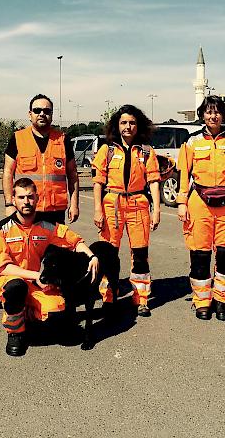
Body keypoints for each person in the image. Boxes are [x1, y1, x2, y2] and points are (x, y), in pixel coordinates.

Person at [0, 178, 98, 356]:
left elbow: (73, 240)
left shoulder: (47, 226)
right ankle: (15, 332)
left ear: (37, 198)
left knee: (58, 312)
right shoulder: (0, 230)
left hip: (38, 284)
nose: (26, 202)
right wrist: (35, 275)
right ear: (13, 199)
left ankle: (29, 314)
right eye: (22, 197)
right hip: (12, 281)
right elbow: (3, 268)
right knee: (16, 288)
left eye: (30, 197)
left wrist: (91, 255)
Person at [177, 96, 225, 321]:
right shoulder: (191, 142)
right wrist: (182, 203)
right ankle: (202, 301)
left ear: (224, 115)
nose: (213, 116)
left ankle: (222, 300)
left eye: (217, 112)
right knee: (200, 254)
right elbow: (184, 174)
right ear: (202, 115)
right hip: (199, 203)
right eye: (209, 112)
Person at [92, 104, 161, 317]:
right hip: (112, 204)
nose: (128, 127)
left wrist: (156, 209)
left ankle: (140, 299)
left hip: (138, 204)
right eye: (123, 122)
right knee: (108, 254)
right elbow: (97, 182)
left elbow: (154, 181)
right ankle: (108, 296)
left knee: (140, 254)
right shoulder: (107, 150)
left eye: (132, 122)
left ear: (138, 125)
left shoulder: (147, 151)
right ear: (117, 125)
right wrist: (97, 209)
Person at [2, 94, 79, 224]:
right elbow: (8, 172)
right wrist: (9, 204)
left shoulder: (63, 140)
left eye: (47, 111)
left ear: (52, 115)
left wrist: (74, 204)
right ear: (30, 114)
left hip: (55, 212)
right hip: (26, 209)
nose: (42, 114)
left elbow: (73, 175)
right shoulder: (17, 138)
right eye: (37, 110)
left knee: (56, 244)